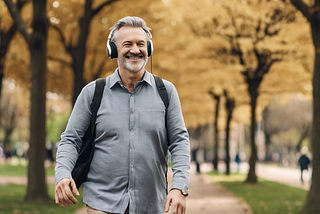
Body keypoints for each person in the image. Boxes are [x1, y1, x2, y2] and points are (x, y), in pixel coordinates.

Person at [54, 16, 190, 214]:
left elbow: (179, 141)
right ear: (113, 50)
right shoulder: (93, 93)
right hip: (101, 203)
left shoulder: (166, 92)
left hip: (151, 204)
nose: (135, 50)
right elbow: (70, 139)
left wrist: (179, 187)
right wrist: (63, 174)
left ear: (149, 48)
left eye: (141, 44)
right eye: (127, 44)